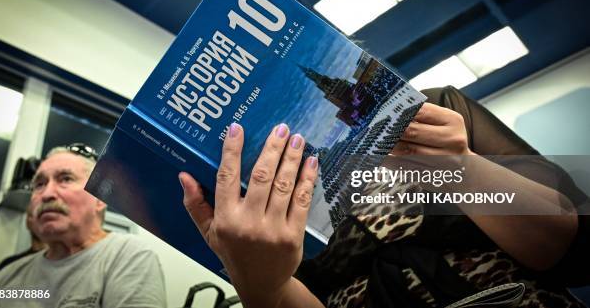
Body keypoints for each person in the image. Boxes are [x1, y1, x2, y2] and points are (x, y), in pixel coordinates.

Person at [181, 86, 590, 308]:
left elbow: (575, 251)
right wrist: (265, 290)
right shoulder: (261, 206)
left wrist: (461, 167)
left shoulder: (436, 116)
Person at [0, 144, 167, 308]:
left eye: (65, 179)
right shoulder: (6, 277)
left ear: (99, 198)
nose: (47, 194)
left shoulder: (128, 255)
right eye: (39, 184)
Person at [0, 204, 45, 276]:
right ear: (27, 221)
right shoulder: (9, 265)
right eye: (34, 215)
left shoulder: (62, 266)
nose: (41, 220)